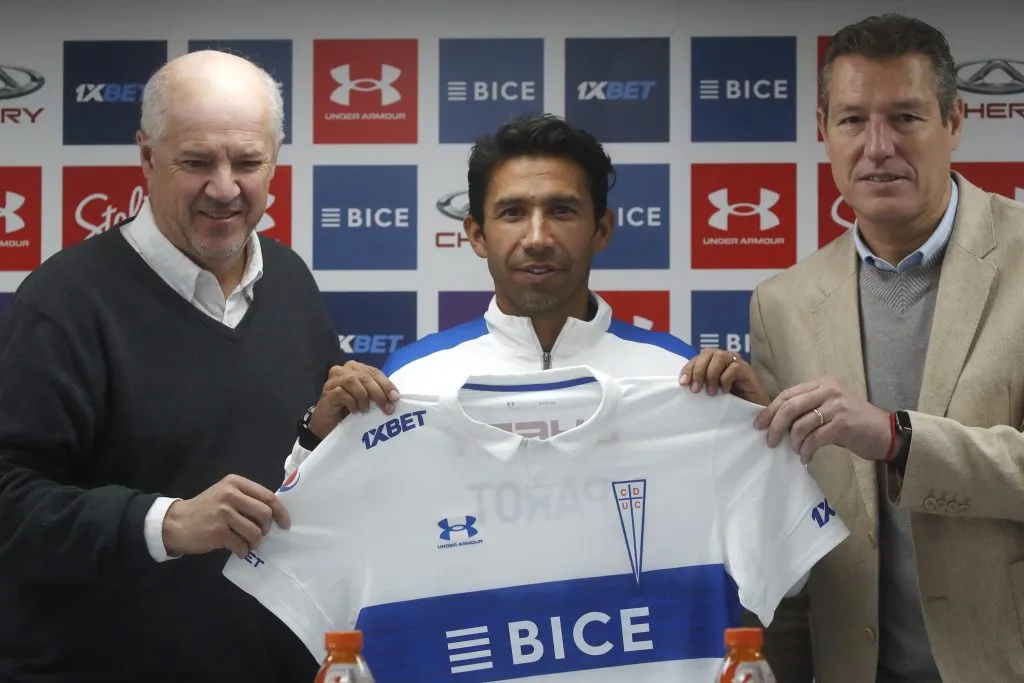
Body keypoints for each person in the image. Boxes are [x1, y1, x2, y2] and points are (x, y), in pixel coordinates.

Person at [684, 13, 1024, 683]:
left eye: (905, 117)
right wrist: (754, 431)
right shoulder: (781, 303)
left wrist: (897, 436)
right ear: (822, 130)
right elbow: (793, 523)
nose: (877, 147)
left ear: (955, 121)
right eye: (852, 121)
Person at [0, 50, 342, 682]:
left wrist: (321, 431)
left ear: (275, 161)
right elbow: (11, 501)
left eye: (247, 162)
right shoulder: (65, 302)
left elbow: (290, 473)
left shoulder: (291, 280)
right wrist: (169, 522)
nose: (224, 187)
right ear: (147, 158)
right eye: (195, 161)